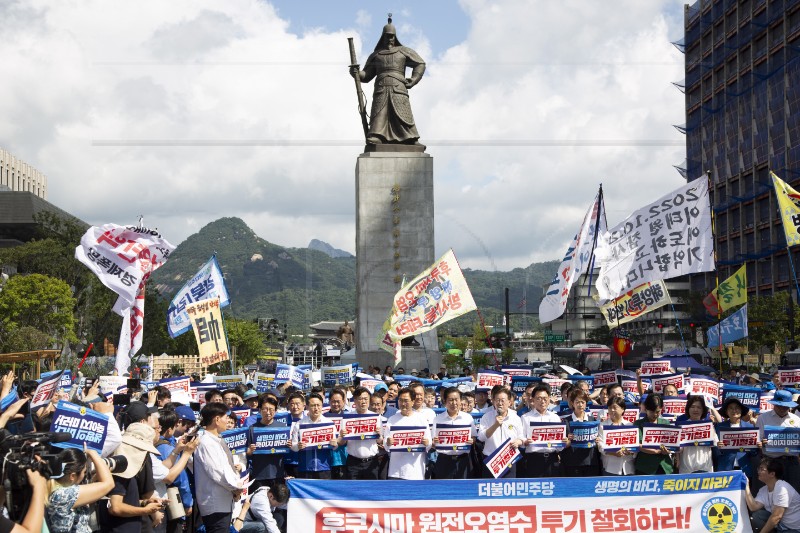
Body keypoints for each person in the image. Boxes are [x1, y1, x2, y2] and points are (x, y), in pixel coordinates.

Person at [350, 16, 426, 146]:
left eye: (391, 36)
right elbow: (366, 75)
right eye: (387, 36)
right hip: (381, 88)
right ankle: (376, 136)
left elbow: (420, 63)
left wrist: (414, 79)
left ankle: (410, 138)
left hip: (399, 88)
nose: (389, 39)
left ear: (395, 37)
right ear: (382, 37)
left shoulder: (404, 51)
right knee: (380, 114)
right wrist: (356, 73)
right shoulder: (376, 55)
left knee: (403, 114)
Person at [194, 402, 244, 533]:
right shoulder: (206, 443)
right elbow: (216, 473)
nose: (228, 421)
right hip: (215, 503)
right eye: (225, 417)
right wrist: (235, 488)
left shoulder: (216, 440)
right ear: (217, 419)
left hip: (223, 502)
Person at [45, 447, 115, 533]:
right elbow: (109, 484)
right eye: (84, 472)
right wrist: (93, 453)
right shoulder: (64, 495)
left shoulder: (56, 490)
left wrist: (94, 480)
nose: (84, 476)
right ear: (72, 476)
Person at [385, 388, 431, 480]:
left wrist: (426, 443)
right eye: (400, 400)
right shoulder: (392, 420)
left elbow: (428, 444)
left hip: (415, 470)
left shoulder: (421, 419)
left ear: (413, 401)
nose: (403, 404)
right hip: (396, 470)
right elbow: (386, 446)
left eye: (406, 401)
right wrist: (388, 442)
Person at [290, 393, 339, 479]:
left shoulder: (329, 423)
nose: (316, 408)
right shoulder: (299, 424)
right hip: (305, 467)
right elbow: (293, 446)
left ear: (322, 406)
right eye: (313, 405)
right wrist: (298, 446)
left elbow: (335, 447)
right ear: (307, 407)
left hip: (324, 467)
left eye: (318, 405)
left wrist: (335, 444)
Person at [745, 458, 800, 533]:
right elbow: (753, 507)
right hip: (781, 525)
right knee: (757, 516)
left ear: (772, 474)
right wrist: (746, 487)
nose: (758, 471)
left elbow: (777, 517)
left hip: (794, 529)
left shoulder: (782, 488)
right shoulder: (763, 490)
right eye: (759, 469)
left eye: (761, 469)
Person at [478, 387, 524, 478]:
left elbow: (521, 437)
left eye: (503, 400)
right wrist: (495, 425)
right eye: (497, 400)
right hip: (491, 460)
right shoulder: (486, 417)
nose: (500, 403)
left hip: (509, 459)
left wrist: (519, 442)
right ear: (493, 401)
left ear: (509, 402)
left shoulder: (516, 418)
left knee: (508, 489)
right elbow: (481, 437)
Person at [340, 387, 383, 480]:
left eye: (365, 399)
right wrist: (343, 436)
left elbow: (380, 441)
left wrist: (379, 434)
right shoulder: (347, 418)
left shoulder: (376, 417)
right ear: (354, 401)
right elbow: (342, 443)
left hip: (372, 462)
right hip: (353, 463)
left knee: (371, 491)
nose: (363, 401)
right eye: (360, 399)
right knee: (353, 491)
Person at [520, 384, 563, 478]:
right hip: (534, 460)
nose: (542, 401)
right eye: (539, 398)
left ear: (549, 399)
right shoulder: (526, 418)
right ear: (533, 399)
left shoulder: (555, 417)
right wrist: (525, 441)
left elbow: (559, 443)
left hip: (552, 459)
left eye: (545, 398)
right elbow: (521, 438)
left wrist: (563, 442)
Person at [432, 387, 474, 479]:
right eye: (451, 400)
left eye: (456, 400)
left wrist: (472, 440)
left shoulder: (468, 418)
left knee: (463, 490)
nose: (454, 403)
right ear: (445, 401)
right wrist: (434, 442)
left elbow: (474, 437)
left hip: (463, 459)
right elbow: (433, 443)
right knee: (444, 490)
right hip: (444, 461)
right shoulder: (438, 419)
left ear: (460, 400)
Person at [246, 396, 287, 491]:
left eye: (271, 409)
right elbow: (247, 453)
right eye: (265, 409)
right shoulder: (252, 428)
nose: (268, 412)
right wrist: (249, 451)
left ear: (276, 411)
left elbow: (288, 450)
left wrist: (288, 445)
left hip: (278, 474)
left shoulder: (282, 427)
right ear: (260, 410)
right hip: (259, 475)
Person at [633, 394, 674, 475]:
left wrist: (668, 450)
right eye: (652, 412)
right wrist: (655, 451)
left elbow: (672, 444)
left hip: (664, 466)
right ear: (646, 409)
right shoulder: (638, 424)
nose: (655, 414)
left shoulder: (666, 423)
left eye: (658, 411)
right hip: (645, 467)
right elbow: (638, 444)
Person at [675, 395, 716, 474]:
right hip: (687, 468)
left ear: (703, 410)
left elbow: (714, 443)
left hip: (705, 467)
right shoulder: (682, 426)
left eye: (699, 407)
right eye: (693, 407)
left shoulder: (708, 425)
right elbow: (679, 449)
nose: (695, 410)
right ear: (688, 409)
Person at [598, 397, 637, 475]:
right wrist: (613, 453)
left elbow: (635, 448)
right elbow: (600, 446)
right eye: (609, 408)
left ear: (622, 409)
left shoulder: (630, 425)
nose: (612, 410)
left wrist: (631, 451)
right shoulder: (603, 426)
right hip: (610, 468)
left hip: (628, 468)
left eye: (615, 408)